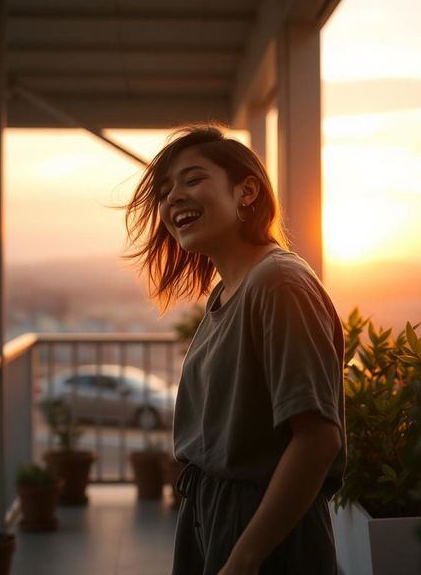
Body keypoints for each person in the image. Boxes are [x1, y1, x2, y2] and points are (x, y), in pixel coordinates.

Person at [125, 125, 345, 575]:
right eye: (166, 190)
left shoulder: (278, 283)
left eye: (192, 179)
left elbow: (317, 439)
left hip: (263, 537)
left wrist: (243, 559)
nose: (173, 199)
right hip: (215, 520)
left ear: (246, 191)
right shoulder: (229, 291)